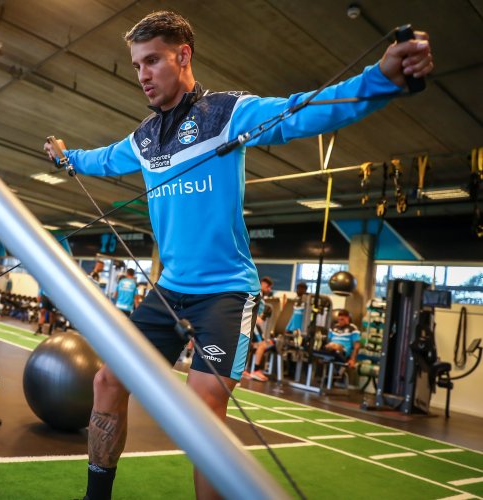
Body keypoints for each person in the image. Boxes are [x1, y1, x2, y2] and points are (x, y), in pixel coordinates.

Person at [43, 10, 432, 500]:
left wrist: (381, 79)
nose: (142, 74)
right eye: (137, 64)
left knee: (202, 412)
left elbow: (301, 111)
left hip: (225, 295)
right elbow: (98, 159)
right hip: (167, 294)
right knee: (107, 381)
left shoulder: (226, 114)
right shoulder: (142, 139)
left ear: (183, 56)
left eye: (152, 61)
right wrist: (65, 157)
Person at [243, 277, 274, 382]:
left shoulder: (261, 297)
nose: (269, 289)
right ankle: (255, 371)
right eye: (267, 286)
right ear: (261, 284)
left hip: (253, 323)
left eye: (269, 287)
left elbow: (259, 315)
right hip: (252, 323)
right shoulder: (257, 294)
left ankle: (243, 369)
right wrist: (259, 318)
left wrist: (263, 316)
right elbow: (251, 311)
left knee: (251, 345)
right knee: (262, 345)